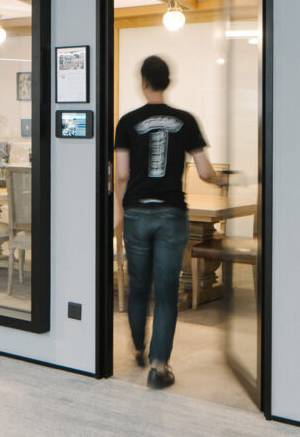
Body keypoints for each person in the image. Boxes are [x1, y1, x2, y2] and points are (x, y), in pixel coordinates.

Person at [113, 55, 225, 389]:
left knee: (137, 285)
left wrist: (118, 211)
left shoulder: (127, 122)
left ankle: (137, 346)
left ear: (143, 82)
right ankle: (159, 366)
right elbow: (205, 171)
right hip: (172, 214)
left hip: (135, 212)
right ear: (168, 82)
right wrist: (221, 181)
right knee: (165, 291)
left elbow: (120, 174)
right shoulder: (186, 120)